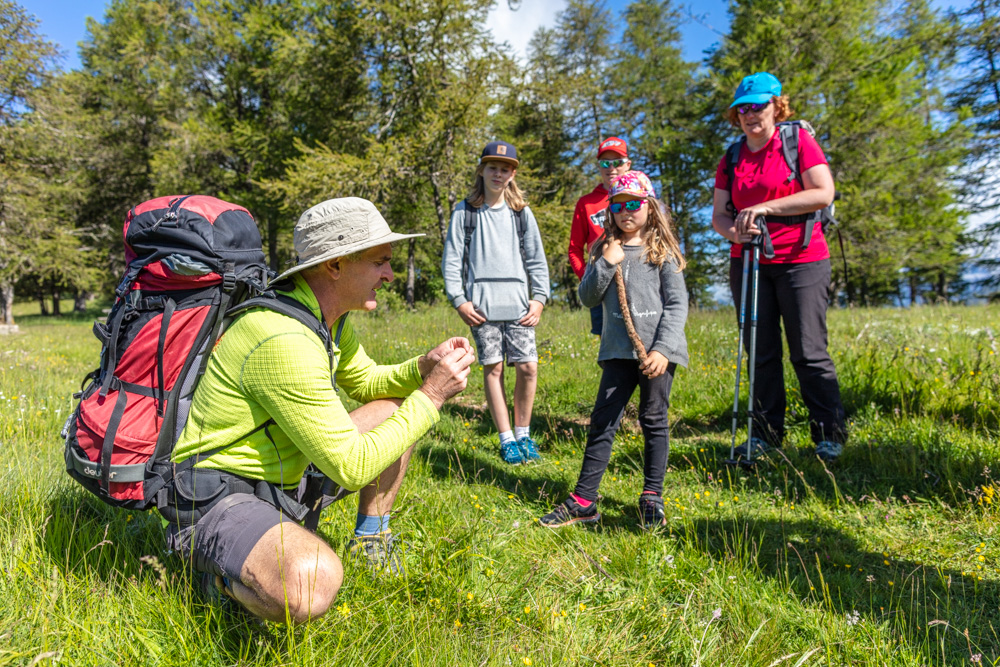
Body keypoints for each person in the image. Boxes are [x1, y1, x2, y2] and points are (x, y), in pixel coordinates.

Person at [162, 197, 476, 624]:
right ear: (335, 265)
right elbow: (350, 465)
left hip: (281, 478)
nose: (389, 275)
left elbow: (366, 382)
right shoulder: (282, 338)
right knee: (311, 583)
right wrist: (433, 395)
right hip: (218, 497)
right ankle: (212, 577)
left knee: (393, 411)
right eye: (380, 262)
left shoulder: (324, 318)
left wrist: (425, 367)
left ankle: (370, 539)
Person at [540, 170, 688, 529]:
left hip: (657, 354)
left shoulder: (662, 253)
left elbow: (677, 305)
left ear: (649, 207)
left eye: (633, 204)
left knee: (654, 421)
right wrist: (607, 261)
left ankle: (652, 497)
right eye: (618, 205)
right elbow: (588, 296)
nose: (626, 211)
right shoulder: (604, 250)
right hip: (617, 353)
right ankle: (584, 501)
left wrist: (664, 349)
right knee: (603, 421)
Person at [710, 71, 847, 461]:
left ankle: (828, 434)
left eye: (759, 106)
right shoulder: (732, 157)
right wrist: (734, 234)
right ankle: (766, 435)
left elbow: (823, 192)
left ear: (776, 106)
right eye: (743, 109)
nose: (751, 115)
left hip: (802, 259)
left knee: (807, 349)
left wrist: (765, 208)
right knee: (760, 350)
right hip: (749, 260)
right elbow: (719, 215)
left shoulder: (797, 141)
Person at [442, 140, 550, 465]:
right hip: (481, 308)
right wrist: (459, 300)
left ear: (513, 173)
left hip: (520, 306)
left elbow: (536, 261)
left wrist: (540, 299)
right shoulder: (465, 212)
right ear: (482, 170)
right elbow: (451, 261)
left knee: (528, 367)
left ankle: (524, 434)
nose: (498, 174)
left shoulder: (521, 214)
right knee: (494, 368)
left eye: (505, 169)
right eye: (492, 167)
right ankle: (506, 439)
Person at [568, 137, 632, 336]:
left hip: (634, 281)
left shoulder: (638, 199)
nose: (611, 168)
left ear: (628, 164)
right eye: (605, 163)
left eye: (617, 162)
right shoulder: (586, 203)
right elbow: (574, 248)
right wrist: (587, 277)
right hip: (601, 283)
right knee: (608, 345)